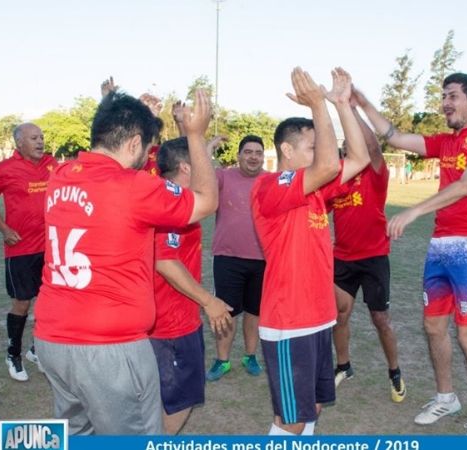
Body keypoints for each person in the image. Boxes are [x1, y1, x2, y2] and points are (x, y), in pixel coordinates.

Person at [33, 89, 218, 435]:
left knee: (79, 434)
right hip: (108, 348)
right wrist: (195, 135)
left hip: (52, 338)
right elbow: (206, 201)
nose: (148, 157)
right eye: (147, 149)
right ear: (134, 143)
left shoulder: (60, 175)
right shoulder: (135, 187)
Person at [356, 73, 467, 435]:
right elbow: (393, 135)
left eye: (452, 96)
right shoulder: (448, 141)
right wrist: (360, 103)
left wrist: (413, 211)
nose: (445, 103)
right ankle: (446, 397)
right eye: (443, 96)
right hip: (441, 244)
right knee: (433, 327)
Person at [251, 67, 370, 435]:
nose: (321, 151)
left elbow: (361, 157)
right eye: (311, 146)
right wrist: (319, 105)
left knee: (312, 408)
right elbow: (331, 163)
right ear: (287, 150)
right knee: (291, 419)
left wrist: (340, 105)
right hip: (290, 322)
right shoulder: (271, 185)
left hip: (318, 318)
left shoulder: (316, 188)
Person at [150, 136, 233, 434]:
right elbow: (165, 260)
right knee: (178, 400)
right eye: (203, 164)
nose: (209, 170)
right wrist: (209, 301)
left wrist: (202, 145)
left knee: (158, 398)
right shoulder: (171, 203)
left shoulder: (165, 193)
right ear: (186, 167)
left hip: (163, 319)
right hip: (169, 324)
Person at [329, 95, 405, 403]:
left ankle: (395, 371)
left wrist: (348, 108)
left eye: (356, 142)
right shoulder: (336, 178)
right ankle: (343, 366)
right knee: (340, 315)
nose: (353, 147)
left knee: (380, 319)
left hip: (373, 258)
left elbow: (374, 148)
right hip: (342, 258)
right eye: (348, 144)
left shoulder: (375, 175)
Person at [0, 123, 57, 381]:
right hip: (21, 248)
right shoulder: (5, 169)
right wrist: (3, 228)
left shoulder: (52, 164)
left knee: (50, 301)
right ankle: (13, 353)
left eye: (42, 137)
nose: (40, 141)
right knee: (23, 302)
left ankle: (38, 350)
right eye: (34, 138)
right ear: (19, 143)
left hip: (50, 246)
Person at [206, 134, 267, 381]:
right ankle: (222, 361)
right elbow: (202, 175)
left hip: (263, 258)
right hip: (227, 257)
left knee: (255, 311)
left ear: (263, 157)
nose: (253, 156)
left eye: (258, 153)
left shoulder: (270, 181)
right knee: (226, 312)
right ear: (239, 155)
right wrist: (209, 147)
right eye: (248, 152)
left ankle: (250, 356)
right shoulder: (223, 176)